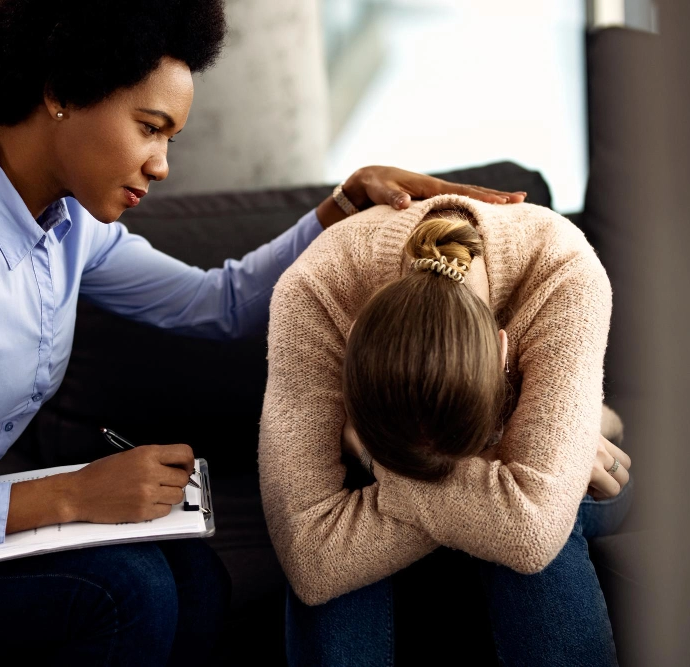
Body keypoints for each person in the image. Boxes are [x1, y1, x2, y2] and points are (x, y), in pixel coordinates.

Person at [0, 2, 528, 665]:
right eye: (149, 126)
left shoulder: (64, 223)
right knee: (123, 595)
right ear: (63, 89)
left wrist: (343, 206)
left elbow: (223, 302)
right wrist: (75, 494)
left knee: (194, 581)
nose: (162, 163)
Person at [258, 196, 633, 666]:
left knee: (543, 532)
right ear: (352, 342)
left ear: (502, 353)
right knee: (508, 522)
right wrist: (503, 478)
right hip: (506, 483)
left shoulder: (562, 266)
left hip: (593, 477)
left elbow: (534, 533)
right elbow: (311, 559)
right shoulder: (314, 289)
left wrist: (372, 456)